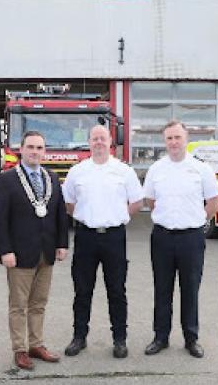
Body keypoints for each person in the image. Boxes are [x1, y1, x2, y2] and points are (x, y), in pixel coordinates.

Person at [61, 125, 144, 359]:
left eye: (102, 138)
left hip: (114, 237)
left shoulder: (123, 171)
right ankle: (79, 337)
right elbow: (68, 203)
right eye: (94, 138)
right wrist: (87, 215)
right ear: (89, 142)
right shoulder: (77, 171)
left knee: (116, 290)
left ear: (110, 142)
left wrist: (119, 216)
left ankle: (119, 339)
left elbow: (137, 201)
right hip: (86, 236)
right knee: (82, 290)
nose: (98, 142)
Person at [141, 120, 218, 358]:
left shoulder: (201, 169)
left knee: (190, 289)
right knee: (162, 289)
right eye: (169, 138)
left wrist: (196, 220)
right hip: (163, 237)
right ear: (164, 141)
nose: (173, 142)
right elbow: (151, 201)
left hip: (191, 239)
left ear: (186, 140)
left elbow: (213, 202)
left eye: (177, 137)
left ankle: (191, 338)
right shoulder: (156, 169)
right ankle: (160, 337)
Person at [0, 130, 70, 370]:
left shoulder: (51, 178)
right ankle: (20, 349)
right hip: (19, 254)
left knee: (39, 303)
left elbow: (59, 214)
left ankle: (36, 344)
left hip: (46, 253)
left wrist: (62, 243)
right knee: (18, 305)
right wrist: (5, 250)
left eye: (39, 148)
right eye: (31, 147)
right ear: (22, 150)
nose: (35, 151)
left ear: (44, 151)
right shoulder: (7, 180)